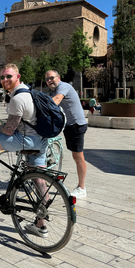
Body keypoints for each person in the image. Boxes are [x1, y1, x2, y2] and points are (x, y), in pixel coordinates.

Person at [0, 63, 48, 237]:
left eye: (8, 76)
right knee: (39, 180)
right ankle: (41, 225)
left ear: (18, 77)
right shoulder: (30, 93)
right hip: (41, 141)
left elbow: (8, 130)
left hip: (25, 141)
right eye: (2, 77)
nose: (5, 80)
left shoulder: (17, 99)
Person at [46, 70, 88, 198]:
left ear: (58, 77)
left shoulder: (63, 86)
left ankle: (82, 188)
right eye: (47, 79)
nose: (49, 81)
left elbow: (57, 100)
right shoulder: (53, 91)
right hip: (67, 125)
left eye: (52, 78)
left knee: (78, 156)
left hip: (76, 125)